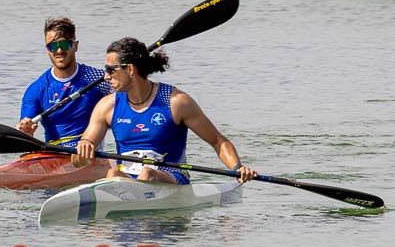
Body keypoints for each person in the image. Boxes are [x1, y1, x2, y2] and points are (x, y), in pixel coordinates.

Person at [71, 37, 257, 184]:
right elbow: (77, 160)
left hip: (170, 176)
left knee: (147, 173)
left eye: (111, 70)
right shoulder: (107, 106)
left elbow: (218, 141)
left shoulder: (176, 102)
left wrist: (237, 167)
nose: (105, 76)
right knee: (112, 173)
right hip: (125, 182)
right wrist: (82, 151)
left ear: (129, 69)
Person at [17, 17, 109, 146]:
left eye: (64, 44)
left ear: (75, 46)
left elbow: (127, 104)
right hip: (54, 153)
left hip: (88, 150)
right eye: (53, 46)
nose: (59, 51)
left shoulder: (98, 79)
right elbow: (25, 128)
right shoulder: (37, 89)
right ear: (47, 50)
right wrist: (25, 130)